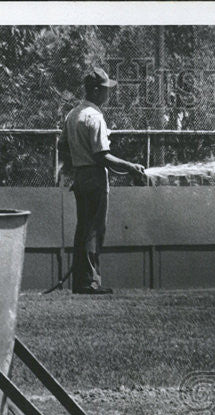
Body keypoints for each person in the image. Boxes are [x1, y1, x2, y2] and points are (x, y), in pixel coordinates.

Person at [58, 67, 146, 295]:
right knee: (94, 230)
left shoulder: (73, 114)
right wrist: (131, 167)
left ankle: (82, 280)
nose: (109, 93)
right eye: (106, 89)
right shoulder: (95, 117)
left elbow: (62, 146)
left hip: (80, 176)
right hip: (95, 177)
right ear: (96, 91)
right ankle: (90, 282)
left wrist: (75, 168)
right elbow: (101, 155)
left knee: (83, 228)